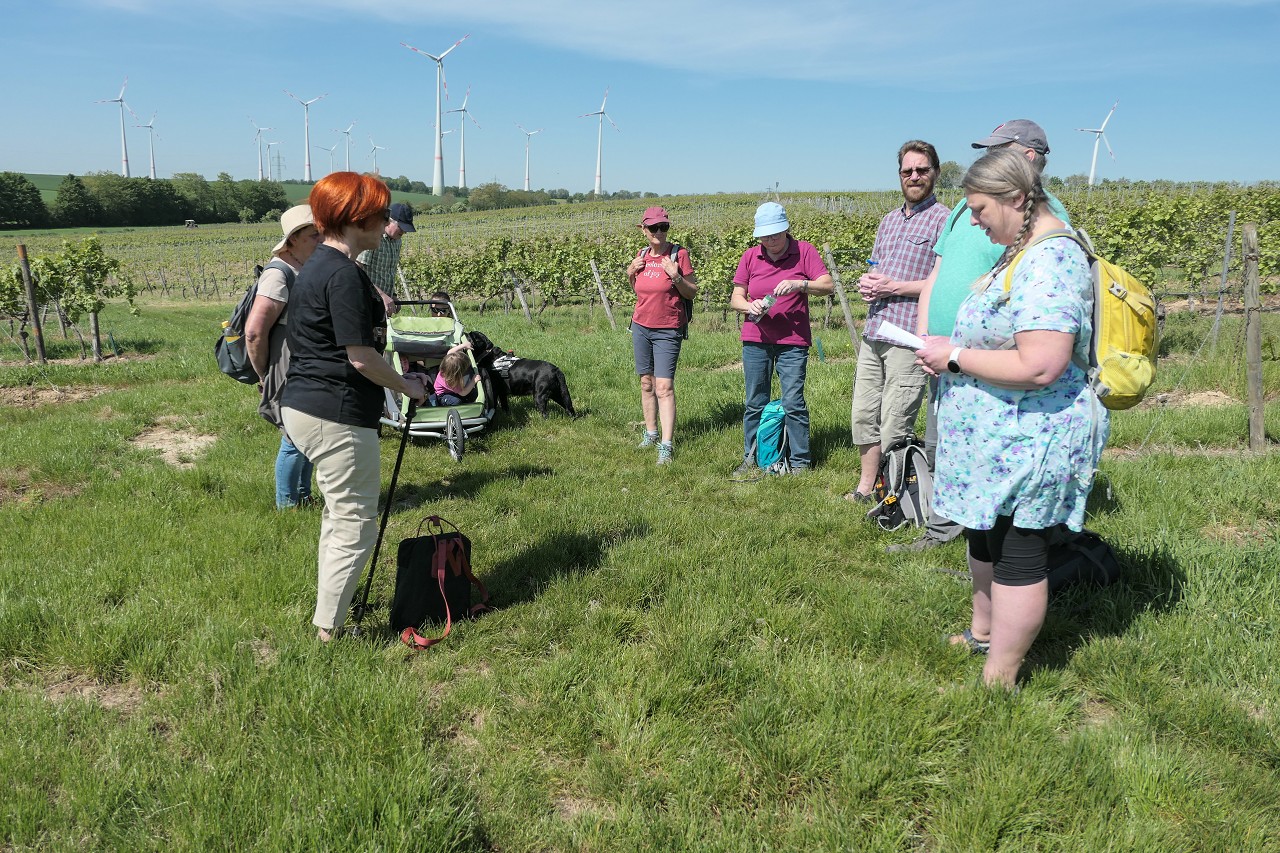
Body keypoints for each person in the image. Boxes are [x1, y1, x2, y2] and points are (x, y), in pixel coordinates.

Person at [915, 147, 1109, 688]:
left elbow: (1042, 363)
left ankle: (1001, 677)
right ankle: (983, 633)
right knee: (985, 537)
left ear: (1018, 199)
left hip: (1033, 437)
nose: (974, 224)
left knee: (1020, 553)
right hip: (999, 436)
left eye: (979, 211)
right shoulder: (1019, 248)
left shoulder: (1050, 258)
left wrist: (954, 356)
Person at [890, 119, 1073, 553]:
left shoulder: (1046, 218)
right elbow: (937, 272)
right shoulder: (964, 209)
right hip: (944, 354)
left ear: (1028, 158)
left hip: (990, 364)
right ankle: (951, 530)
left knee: (987, 457)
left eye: (997, 150)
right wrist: (924, 335)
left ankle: (997, 541)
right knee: (943, 444)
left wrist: (956, 351)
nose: (984, 157)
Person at [279, 172, 431, 643]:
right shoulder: (343, 274)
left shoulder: (319, 266)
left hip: (306, 404)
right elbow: (360, 358)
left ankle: (331, 611)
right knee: (355, 524)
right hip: (336, 412)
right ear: (355, 218)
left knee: (338, 517)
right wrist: (408, 386)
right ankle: (329, 632)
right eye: (382, 214)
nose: (387, 222)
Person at [845, 141, 949, 503]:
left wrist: (896, 287)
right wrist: (869, 284)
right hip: (875, 330)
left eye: (922, 169)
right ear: (900, 176)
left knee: (895, 421)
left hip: (909, 335)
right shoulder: (888, 221)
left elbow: (945, 284)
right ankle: (866, 485)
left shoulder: (946, 220)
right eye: (908, 171)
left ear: (935, 172)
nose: (914, 176)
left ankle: (894, 495)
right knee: (863, 415)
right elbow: (878, 270)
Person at [729, 202, 834, 476]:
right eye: (764, 236)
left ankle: (800, 462)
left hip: (793, 340)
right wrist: (748, 306)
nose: (770, 241)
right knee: (755, 401)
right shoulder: (751, 256)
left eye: (774, 234)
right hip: (756, 339)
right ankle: (752, 456)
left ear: (786, 229)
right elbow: (736, 297)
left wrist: (800, 284)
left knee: (793, 402)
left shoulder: (805, 251)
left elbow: (827, 284)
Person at [244, 204, 323, 509]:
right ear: (292, 240)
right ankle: (288, 506)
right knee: (293, 438)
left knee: (306, 434)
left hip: (302, 362)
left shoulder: (302, 267)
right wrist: (265, 374)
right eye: (313, 235)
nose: (320, 241)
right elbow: (254, 332)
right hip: (286, 365)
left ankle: (303, 496)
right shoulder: (279, 274)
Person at [625, 206, 698, 466]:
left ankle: (666, 445)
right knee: (646, 382)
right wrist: (630, 273)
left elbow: (691, 292)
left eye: (663, 227)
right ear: (642, 229)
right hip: (641, 326)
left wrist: (676, 275)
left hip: (668, 328)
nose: (659, 232)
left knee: (664, 387)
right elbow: (639, 291)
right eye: (653, 227)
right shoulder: (641, 255)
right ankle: (651, 433)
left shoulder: (679, 254)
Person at [356, 200, 415, 318]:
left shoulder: (397, 242)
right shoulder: (374, 238)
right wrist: (382, 295)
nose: (404, 232)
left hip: (384, 305)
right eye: (401, 227)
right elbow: (358, 270)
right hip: (367, 301)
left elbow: (388, 272)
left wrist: (392, 294)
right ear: (389, 221)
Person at [433, 341, 477, 406]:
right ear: (457, 373)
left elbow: (450, 352)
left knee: (472, 392)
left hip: (450, 390)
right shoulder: (450, 382)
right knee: (456, 402)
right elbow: (463, 393)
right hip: (442, 396)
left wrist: (464, 345)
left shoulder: (447, 364)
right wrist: (474, 380)